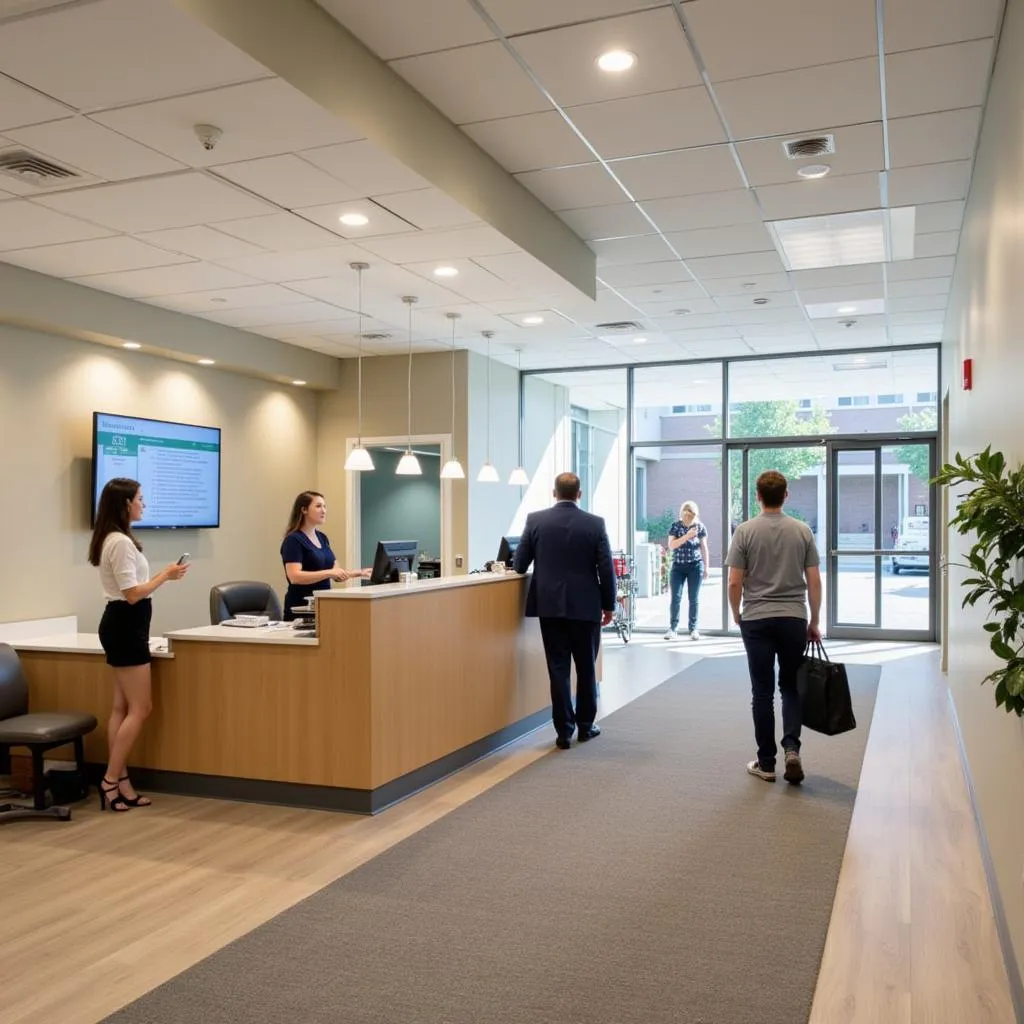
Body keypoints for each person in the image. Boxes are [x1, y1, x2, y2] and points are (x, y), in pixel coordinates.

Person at [88, 477, 190, 812]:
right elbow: (132, 594)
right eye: (140, 499)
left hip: (126, 626)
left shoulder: (118, 539)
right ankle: (109, 780)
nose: (143, 504)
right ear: (125, 504)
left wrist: (162, 576)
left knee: (122, 708)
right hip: (124, 627)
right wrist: (165, 575)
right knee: (141, 708)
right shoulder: (118, 542)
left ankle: (121, 782)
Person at [724, 470, 822, 785]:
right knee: (790, 687)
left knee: (762, 692)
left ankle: (766, 763)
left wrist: (736, 612)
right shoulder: (802, 530)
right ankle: (792, 749)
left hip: (756, 618)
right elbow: (814, 580)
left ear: (758, 496)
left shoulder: (744, 531)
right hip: (794, 617)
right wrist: (815, 619)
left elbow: (734, 580)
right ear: (786, 495)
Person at [513, 472, 616, 750]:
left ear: (554, 492)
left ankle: (563, 732)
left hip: (550, 607)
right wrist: (609, 605)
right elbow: (606, 569)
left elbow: (519, 564)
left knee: (557, 669)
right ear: (579, 494)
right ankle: (585, 727)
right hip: (586, 607)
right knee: (586, 668)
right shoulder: (595, 524)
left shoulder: (535, 521)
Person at [281, 491, 369, 619]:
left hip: (324, 606)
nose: (323, 510)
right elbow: (295, 576)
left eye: (324, 506)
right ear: (304, 510)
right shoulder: (293, 540)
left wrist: (359, 573)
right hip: (302, 609)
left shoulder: (322, 537)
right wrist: (329, 573)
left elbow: (337, 574)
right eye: (318, 506)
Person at [664, 500, 710, 641]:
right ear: (682, 515)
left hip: (695, 566)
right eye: (686, 516)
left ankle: (693, 628)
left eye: (691, 516)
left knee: (693, 599)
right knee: (676, 598)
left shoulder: (700, 527)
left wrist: (706, 568)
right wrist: (687, 536)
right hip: (678, 567)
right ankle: (673, 628)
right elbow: (671, 545)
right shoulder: (675, 526)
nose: (688, 519)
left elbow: (704, 548)